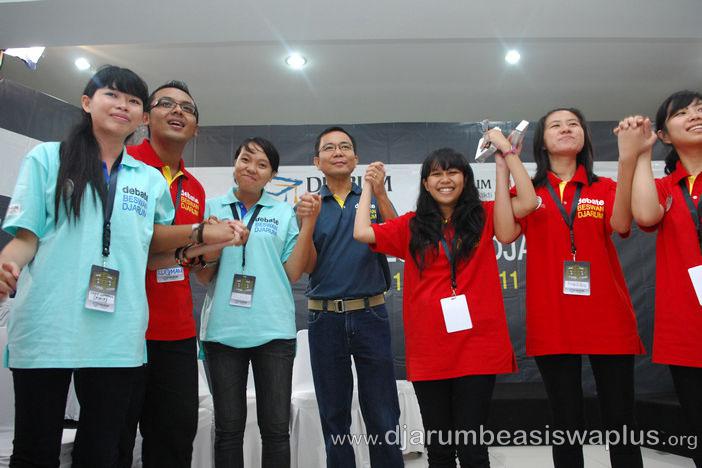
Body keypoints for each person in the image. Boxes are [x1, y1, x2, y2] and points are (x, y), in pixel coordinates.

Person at [0, 66, 246, 468]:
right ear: (86, 102)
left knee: (103, 451)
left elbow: (151, 251)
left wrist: (203, 242)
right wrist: (6, 265)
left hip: (118, 334)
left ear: (139, 115)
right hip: (47, 323)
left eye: (132, 100)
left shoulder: (149, 181)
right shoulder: (48, 158)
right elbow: (26, 238)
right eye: (111, 95)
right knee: (35, 450)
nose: (122, 105)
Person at [354, 133, 536, 467]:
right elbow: (362, 231)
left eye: (453, 172)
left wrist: (506, 156)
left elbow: (528, 201)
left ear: (465, 179)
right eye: (436, 174)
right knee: (439, 449)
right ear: (426, 183)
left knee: (472, 448)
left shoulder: (483, 215)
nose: (445, 179)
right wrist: (368, 186)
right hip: (430, 349)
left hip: (477, 346)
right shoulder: (412, 225)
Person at [511, 108, 645, 468]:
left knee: (621, 418)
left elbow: (621, 224)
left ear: (585, 137)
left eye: (573, 124)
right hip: (553, 319)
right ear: (541, 142)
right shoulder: (528, 192)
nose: (566, 129)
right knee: (565, 421)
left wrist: (628, 159)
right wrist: (506, 158)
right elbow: (506, 232)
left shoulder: (604, 188)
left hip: (607, 316)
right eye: (555, 125)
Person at [196, 137, 320, 468]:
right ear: (234, 164)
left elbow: (293, 272)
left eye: (262, 164)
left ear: (272, 175)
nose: (252, 169)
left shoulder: (283, 212)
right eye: (245, 160)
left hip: (274, 331)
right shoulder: (211, 209)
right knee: (228, 431)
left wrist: (307, 224)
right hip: (223, 331)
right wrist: (215, 241)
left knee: (276, 431)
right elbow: (204, 276)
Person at [303, 126, 404, 467]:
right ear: (317, 161)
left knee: (383, 411)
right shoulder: (310, 206)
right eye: (329, 148)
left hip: (370, 314)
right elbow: (303, 264)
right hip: (324, 317)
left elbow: (401, 239)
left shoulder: (372, 196)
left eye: (345, 147)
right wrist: (306, 222)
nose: (338, 152)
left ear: (356, 158)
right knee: (334, 414)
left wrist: (380, 193)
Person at [122, 80, 205, 467]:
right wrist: (199, 235)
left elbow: (179, 255)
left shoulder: (195, 189)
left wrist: (205, 252)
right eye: (166, 104)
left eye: (187, 108)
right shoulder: (122, 165)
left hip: (176, 331)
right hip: (120, 328)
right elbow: (135, 241)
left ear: (196, 128)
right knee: (111, 440)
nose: (177, 111)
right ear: (145, 117)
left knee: (174, 439)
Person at [623, 90, 702, 467]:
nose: (695, 116)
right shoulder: (665, 189)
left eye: (700, 109)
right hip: (686, 329)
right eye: (682, 113)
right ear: (665, 135)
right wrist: (642, 153)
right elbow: (644, 216)